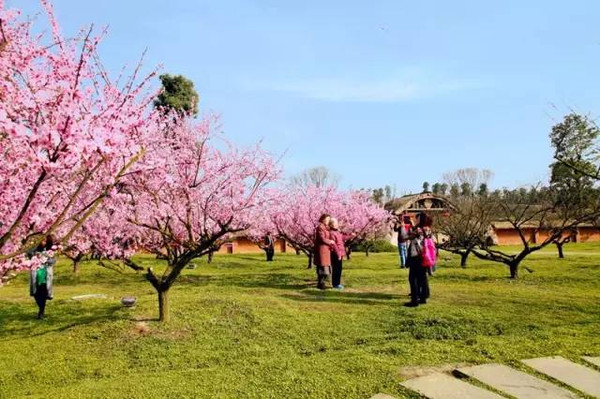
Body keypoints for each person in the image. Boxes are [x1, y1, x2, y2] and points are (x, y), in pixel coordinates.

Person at [29, 236, 56, 319]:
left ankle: (41, 312)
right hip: (36, 273)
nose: (43, 242)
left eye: (45, 240)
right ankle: (41, 309)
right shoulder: (35, 249)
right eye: (42, 240)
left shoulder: (50, 250)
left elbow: (53, 260)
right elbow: (28, 253)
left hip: (45, 273)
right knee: (36, 294)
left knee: (43, 293)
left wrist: (46, 259)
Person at [405, 227, 429, 307]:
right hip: (423, 259)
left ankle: (414, 301)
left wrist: (402, 226)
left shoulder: (416, 233)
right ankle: (423, 299)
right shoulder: (425, 232)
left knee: (413, 279)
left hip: (416, 259)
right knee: (422, 279)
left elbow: (404, 236)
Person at [314, 214, 335, 290]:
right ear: (322, 219)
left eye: (328, 219)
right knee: (322, 267)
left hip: (326, 250)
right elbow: (322, 238)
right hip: (322, 250)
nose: (327, 221)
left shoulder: (326, 228)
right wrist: (330, 241)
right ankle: (320, 283)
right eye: (326, 219)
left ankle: (321, 283)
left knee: (325, 267)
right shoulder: (320, 227)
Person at [329, 218, 346, 290]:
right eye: (334, 224)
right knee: (336, 269)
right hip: (335, 253)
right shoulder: (332, 233)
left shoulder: (337, 232)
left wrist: (351, 235)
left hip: (340, 252)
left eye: (337, 223)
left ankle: (338, 283)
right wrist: (338, 254)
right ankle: (335, 284)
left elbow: (342, 238)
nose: (336, 225)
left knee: (339, 269)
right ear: (331, 225)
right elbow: (334, 245)